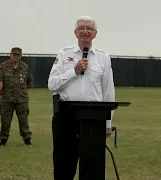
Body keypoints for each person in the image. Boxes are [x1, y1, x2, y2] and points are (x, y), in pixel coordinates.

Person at [47, 16, 116, 180]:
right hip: (66, 115)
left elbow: (108, 90)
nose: (86, 31)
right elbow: (52, 84)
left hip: (94, 116)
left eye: (89, 28)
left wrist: (108, 123)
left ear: (95, 34)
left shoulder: (103, 57)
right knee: (64, 162)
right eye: (82, 28)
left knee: (93, 165)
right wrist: (74, 71)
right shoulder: (64, 54)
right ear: (76, 33)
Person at [0, 47, 33, 146]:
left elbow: (29, 82)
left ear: (20, 56)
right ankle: (3, 140)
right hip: (7, 98)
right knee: (5, 120)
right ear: (10, 54)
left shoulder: (25, 67)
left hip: (21, 99)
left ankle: (27, 139)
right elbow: (0, 81)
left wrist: (22, 91)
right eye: (14, 54)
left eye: (18, 55)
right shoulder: (4, 66)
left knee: (23, 119)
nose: (16, 56)